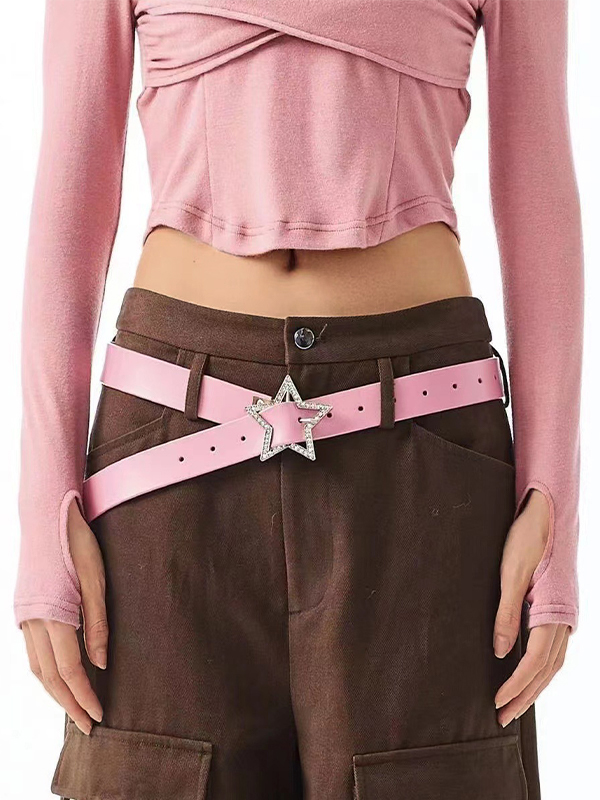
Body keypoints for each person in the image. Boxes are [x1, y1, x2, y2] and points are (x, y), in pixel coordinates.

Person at [15, 2, 583, 799]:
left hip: (425, 450)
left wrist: (554, 498)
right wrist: (43, 511)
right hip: (165, 448)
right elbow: (69, 200)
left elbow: (539, 183)